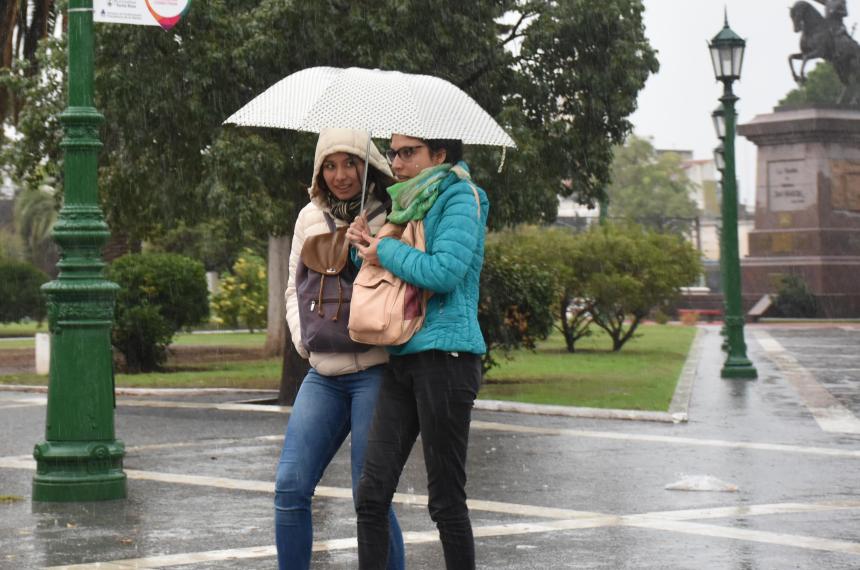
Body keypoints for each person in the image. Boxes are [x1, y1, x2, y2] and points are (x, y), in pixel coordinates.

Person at [348, 134, 489, 570]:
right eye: (393, 153)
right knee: (371, 494)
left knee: (445, 501)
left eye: (408, 152)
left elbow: (443, 272)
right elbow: (390, 275)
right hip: (404, 357)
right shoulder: (407, 203)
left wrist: (384, 249)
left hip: (447, 358)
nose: (397, 161)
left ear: (439, 155)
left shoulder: (461, 198)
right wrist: (363, 248)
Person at [275, 128, 405, 570]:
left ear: (367, 164)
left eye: (350, 163)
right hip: (324, 373)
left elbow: (401, 288)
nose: (341, 175)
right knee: (290, 487)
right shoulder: (308, 217)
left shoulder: (392, 212)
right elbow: (293, 288)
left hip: (375, 369)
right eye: (329, 166)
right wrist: (303, 341)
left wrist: (372, 244)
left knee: (369, 494)